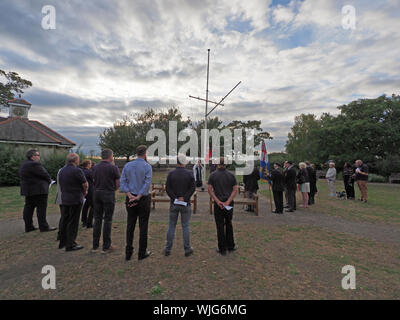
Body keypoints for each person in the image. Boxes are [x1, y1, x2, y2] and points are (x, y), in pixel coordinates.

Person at [120, 145, 152, 261]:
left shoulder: (127, 165)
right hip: (142, 199)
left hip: (130, 197)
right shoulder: (147, 166)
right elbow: (147, 183)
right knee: (143, 226)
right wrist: (138, 196)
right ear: (145, 153)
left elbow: (123, 182)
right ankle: (142, 253)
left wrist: (130, 195)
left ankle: (128, 253)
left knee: (130, 225)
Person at [164, 154, 196, 257]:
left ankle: (168, 248)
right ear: (184, 162)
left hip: (174, 203)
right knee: (185, 226)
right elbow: (192, 188)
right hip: (185, 204)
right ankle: (187, 249)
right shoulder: (190, 174)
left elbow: (168, 188)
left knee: (171, 225)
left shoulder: (171, 173)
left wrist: (175, 198)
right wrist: (184, 198)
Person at [18, 149, 56, 233]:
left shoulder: (23, 164)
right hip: (39, 190)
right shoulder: (35, 164)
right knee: (41, 208)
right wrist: (50, 180)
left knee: (29, 207)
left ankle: (28, 226)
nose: (39, 157)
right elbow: (44, 174)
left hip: (28, 190)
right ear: (33, 156)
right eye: (38, 155)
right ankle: (44, 226)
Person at [207, 157, 238, 256]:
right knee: (229, 223)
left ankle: (222, 249)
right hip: (228, 204)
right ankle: (231, 246)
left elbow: (209, 190)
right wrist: (228, 201)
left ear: (217, 164)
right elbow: (235, 189)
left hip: (219, 204)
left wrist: (217, 201)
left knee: (220, 225)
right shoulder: (231, 175)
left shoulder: (213, 175)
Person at [91, 150, 120, 254]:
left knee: (97, 219)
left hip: (97, 193)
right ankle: (106, 246)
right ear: (110, 156)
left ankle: (95, 246)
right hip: (108, 193)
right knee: (107, 219)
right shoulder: (113, 168)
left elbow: (93, 180)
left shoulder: (94, 167)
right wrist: (112, 190)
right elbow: (117, 183)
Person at [58, 153, 88, 252]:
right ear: (75, 160)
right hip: (75, 198)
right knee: (73, 222)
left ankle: (63, 241)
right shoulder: (77, 170)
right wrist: (85, 191)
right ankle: (70, 244)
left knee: (65, 219)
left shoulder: (62, 170)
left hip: (65, 198)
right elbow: (85, 184)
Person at [80, 160, 94, 228]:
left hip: (83, 191)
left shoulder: (81, 171)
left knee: (86, 206)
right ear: (88, 164)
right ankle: (89, 222)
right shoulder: (89, 172)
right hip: (90, 191)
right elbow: (94, 179)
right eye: (90, 164)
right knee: (93, 206)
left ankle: (84, 221)